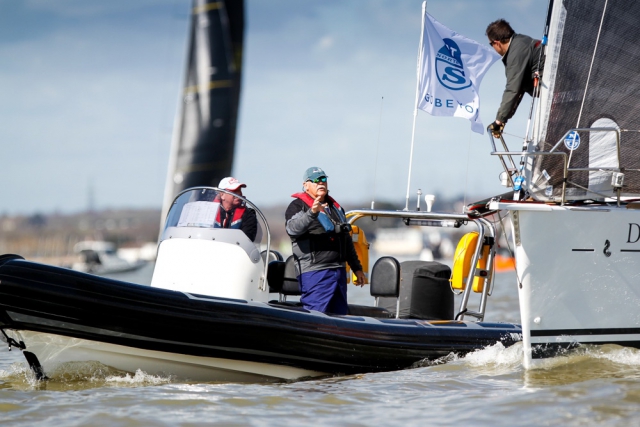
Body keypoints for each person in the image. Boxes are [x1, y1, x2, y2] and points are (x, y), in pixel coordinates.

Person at [285, 167, 366, 315]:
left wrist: (357, 268)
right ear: (305, 185)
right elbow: (292, 229)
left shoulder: (336, 208)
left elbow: (346, 239)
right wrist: (312, 213)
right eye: (315, 180)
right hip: (315, 272)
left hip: (339, 272)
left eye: (323, 179)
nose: (321, 183)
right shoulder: (297, 206)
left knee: (340, 318)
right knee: (315, 317)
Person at [486, 19, 545, 138]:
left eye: (491, 44)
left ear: (496, 42)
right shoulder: (521, 42)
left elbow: (512, 89)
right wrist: (503, 119)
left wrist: (498, 121)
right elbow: (518, 89)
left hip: (563, 94)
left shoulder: (516, 53)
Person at [215, 177, 258, 241]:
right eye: (234, 191)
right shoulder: (209, 212)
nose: (239, 194)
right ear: (222, 195)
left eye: (239, 190)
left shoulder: (249, 215)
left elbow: (247, 240)